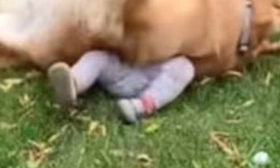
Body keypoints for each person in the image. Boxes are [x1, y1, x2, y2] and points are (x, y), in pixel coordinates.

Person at [47, 50, 195, 124]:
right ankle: (73, 83)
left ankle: (141, 106)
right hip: (122, 65)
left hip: (155, 74)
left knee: (184, 67)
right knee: (96, 57)